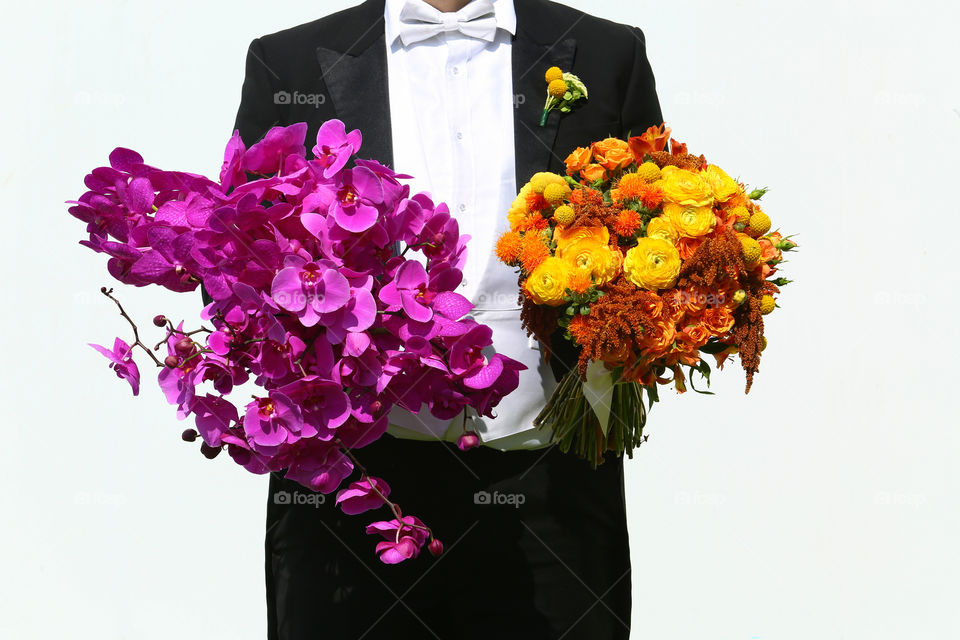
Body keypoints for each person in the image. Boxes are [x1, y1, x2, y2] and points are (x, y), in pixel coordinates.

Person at [201, 0, 662, 637]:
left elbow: (657, 242)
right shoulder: (287, 63)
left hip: (554, 484)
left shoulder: (608, 54)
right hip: (354, 495)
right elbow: (235, 258)